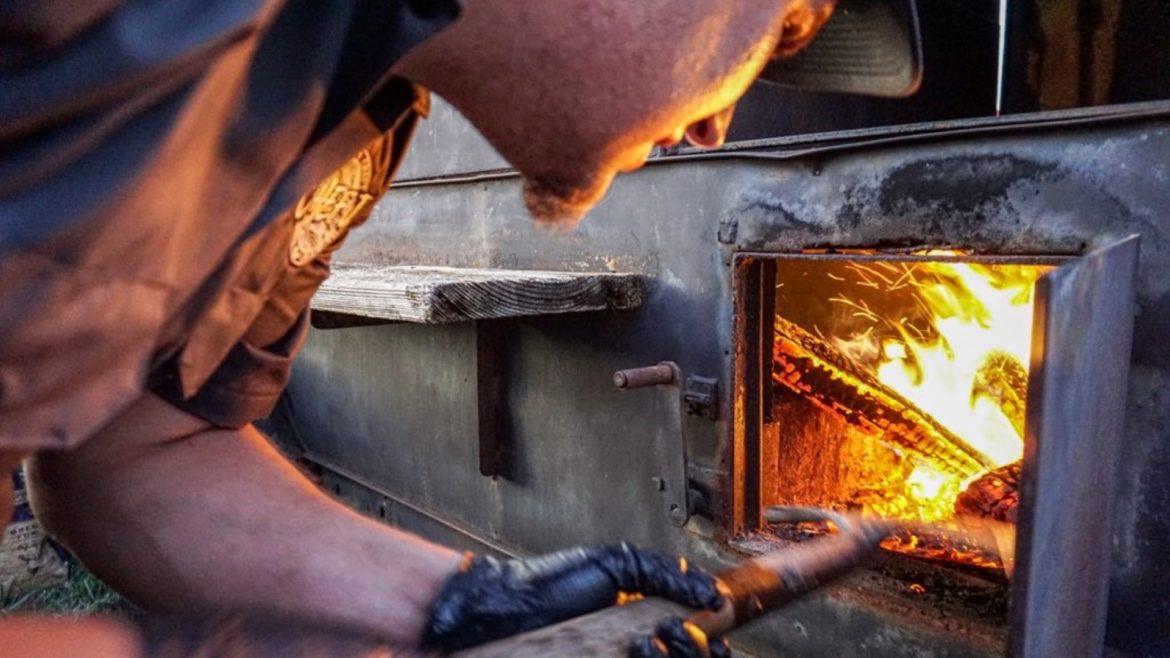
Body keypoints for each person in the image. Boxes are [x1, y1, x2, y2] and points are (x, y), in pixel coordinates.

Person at [0, 0, 869, 655]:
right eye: (775, 32)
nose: (721, 122)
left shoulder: (364, 115)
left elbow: (141, 450)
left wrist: (464, 603)